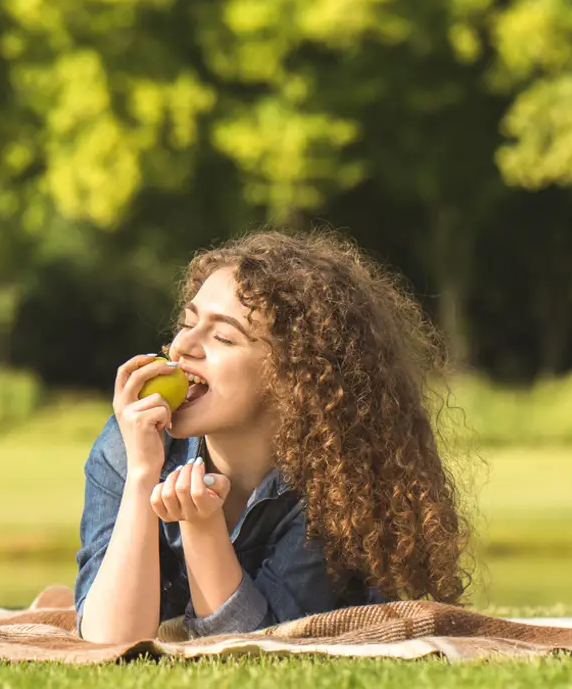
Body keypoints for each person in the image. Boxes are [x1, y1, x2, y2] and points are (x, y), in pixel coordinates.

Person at [73, 229, 475, 643]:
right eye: (188, 323)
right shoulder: (131, 443)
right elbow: (108, 642)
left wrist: (201, 529)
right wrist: (142, 475)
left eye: (223, 336)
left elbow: (261, 648)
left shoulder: (336, 485)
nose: (182, 347)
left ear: (293, 376)